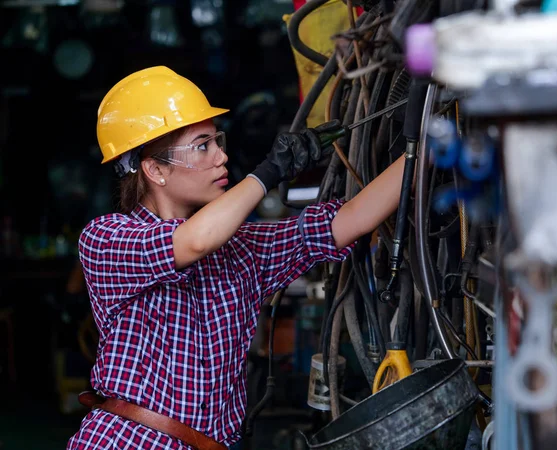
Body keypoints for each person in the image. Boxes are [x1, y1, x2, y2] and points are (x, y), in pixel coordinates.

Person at [66, 66, 407, 450]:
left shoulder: (241, 248)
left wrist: (426, 146)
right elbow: (192, 242)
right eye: (202, 145)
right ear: (155, 169)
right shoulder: (107, 240)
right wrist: (268, 174)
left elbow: (350, 220)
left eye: (218, 141)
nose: (221, 156)